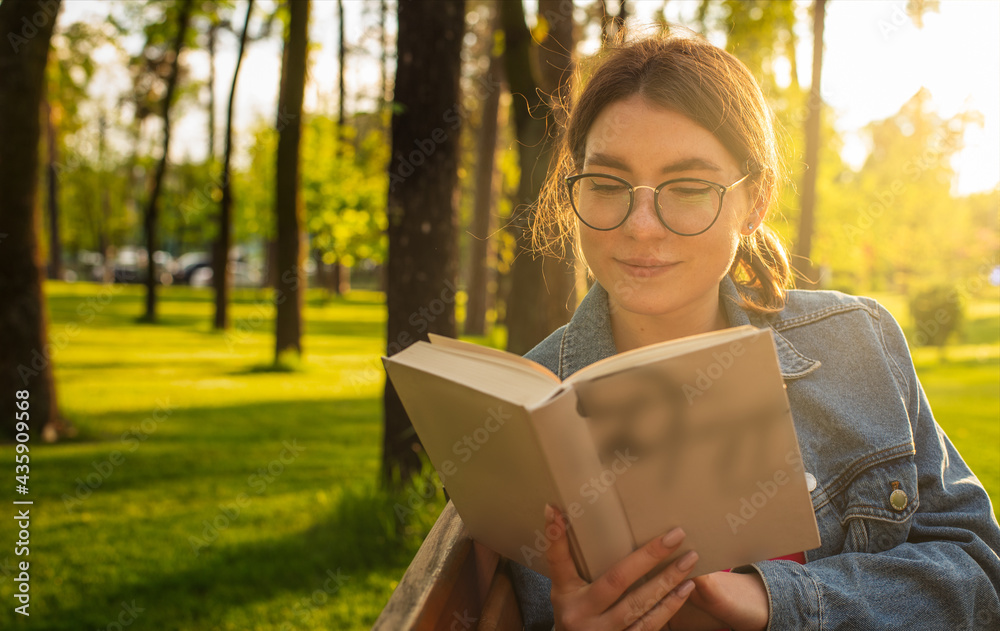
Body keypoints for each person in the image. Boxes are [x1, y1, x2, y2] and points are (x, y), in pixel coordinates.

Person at [507, 30, 1000, 631]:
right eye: (608, 186)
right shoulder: (525, 407)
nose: (640, 227)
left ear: (756, 200)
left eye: (687, 189)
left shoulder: (857, 342)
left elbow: (978, 569)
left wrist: (774, 601)